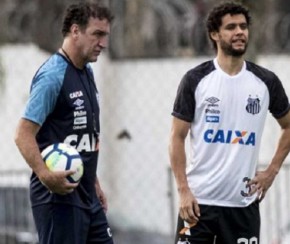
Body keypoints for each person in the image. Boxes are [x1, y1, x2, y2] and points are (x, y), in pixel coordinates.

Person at [169, 2, 290, 244]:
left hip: (241, 206)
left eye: (243, 27)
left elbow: (288, 126)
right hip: (198, 205)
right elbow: (176, 137)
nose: (240, 32)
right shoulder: (195, 79)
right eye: (231, 27)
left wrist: (272, 171)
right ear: (215, 34)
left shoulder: (265, 81)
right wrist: (183, 190)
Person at [14, 2, 114, 244]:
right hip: (58, 197)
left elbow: (83, 136)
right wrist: (45, 174)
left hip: (86, 194)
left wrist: (94, 181)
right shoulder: (52, 76)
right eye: (97, 34)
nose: (103, 43)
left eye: (106, 35)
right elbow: (22, 134)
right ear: (75, 31)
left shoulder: (86, 72)